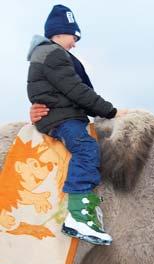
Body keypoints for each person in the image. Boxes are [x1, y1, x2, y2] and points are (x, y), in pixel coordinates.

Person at [27, 5, 126, 245]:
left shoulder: (52, 55)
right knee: (86, 148)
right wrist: (109, 111)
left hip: (63, 114)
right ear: (59, 33)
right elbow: (77, 90)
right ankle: (78, 212)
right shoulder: (53, 54)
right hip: (63, 118)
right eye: (74, 36)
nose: (75, 42)